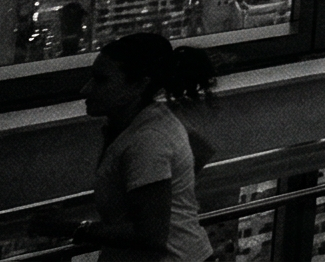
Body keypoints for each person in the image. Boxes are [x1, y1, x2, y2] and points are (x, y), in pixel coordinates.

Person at [29, 33, 217, 262]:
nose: (86, 90)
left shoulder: (147, 140)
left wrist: (71, 228)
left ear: (139, 85)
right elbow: (198, 153)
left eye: (101, 80)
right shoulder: (149, 120)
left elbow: (150, 236)